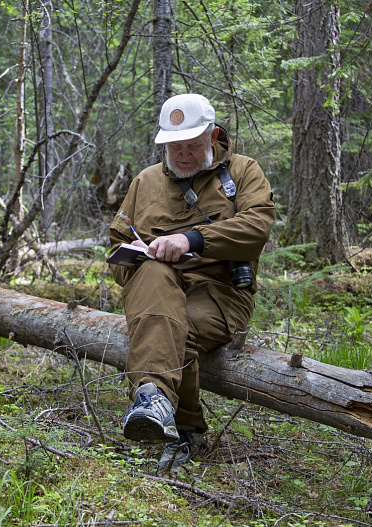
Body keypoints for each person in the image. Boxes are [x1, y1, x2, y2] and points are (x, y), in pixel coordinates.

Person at [108, 93, 276, 468]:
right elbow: (117, 247)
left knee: (172, 331)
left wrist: (192, 239)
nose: (182, 153)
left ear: (213, 136)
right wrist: (135, 255)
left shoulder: (244, 172)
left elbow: (257, 227)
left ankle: (174, 423)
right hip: (153, 291)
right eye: (174, 146)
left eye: (192, 145)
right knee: (153, 275)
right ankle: (159, 406)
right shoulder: (145, 182)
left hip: (219, 294)